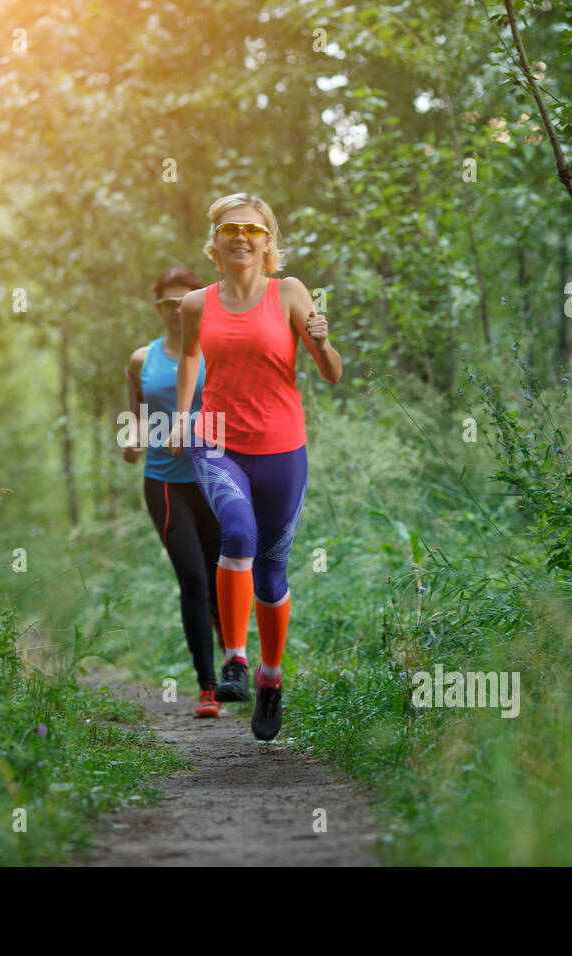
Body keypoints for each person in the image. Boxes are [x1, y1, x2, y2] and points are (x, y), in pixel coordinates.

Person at [169, 193, 342, 740]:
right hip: (217, 440)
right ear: (214, 243)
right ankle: (237, 660)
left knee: (271, 573)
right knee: (237, 534)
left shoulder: (289, 293)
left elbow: (331, 372)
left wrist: (322, 341)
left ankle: (270, 677)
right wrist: (181, 417)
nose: (241, 237)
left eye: (252, 229)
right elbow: (192, 354)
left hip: (282, 446)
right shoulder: (196, 303)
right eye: (229, 229)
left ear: (268, 241)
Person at [122, 267, 227, 718]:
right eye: (167, 302)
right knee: (194, 580)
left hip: (217, 477)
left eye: (183, 300)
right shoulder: (141, 359)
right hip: (165, 482)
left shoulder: (218, 349)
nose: (175, 309)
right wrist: (131, 438)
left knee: (222, 581)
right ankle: (208, 687)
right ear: (158, 307)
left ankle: (235, 656)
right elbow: (137, 414)